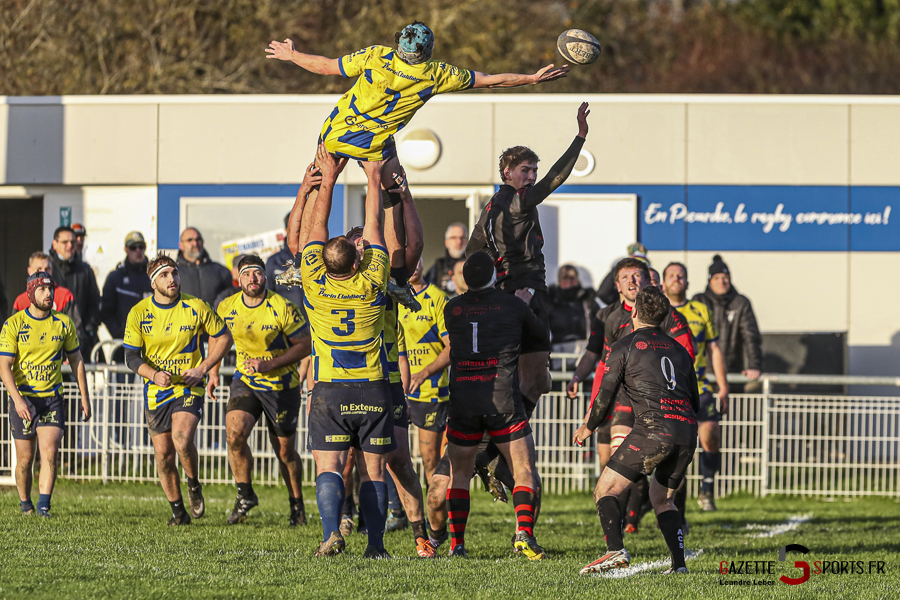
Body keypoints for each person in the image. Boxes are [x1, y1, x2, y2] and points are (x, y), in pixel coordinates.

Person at [266, 22, 567, 166]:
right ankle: (396, 271)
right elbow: (490, 80)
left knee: (317, 187)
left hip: (339, 128)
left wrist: (292, 55)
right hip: (375, 143)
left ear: (399, 45)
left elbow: (327, 67)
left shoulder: (376, 56)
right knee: (394, 200)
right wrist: (530, 78)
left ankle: (300, 257)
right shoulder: (437, 74)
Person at [300, 145, 394, 559]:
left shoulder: (314, 282)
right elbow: (373, 228)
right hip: (373, 389)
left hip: (330, 390)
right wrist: (373, 176)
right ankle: (375, 545)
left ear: (322, 262)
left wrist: (329, 177)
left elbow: (313, 231)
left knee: (329, 467)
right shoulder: (372, 281)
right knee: (374, 470)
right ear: (358, 261)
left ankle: (330, 534)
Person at [466, 103, 590, 416]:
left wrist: (493, 288)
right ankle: (497, 446)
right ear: (507, 173)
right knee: (531, 380)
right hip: (526, 291)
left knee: (533, 380)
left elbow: (472, 254)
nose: (533, 176)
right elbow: (555, 179)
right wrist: (580, 137)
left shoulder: (491, 206)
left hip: (513, 292)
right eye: (526, 170)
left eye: (534, 170)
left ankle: (495, 449)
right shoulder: (517, 201)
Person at [574, 286, 699, 575]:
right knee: (662, 498)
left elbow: (605, 395)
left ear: (633, 311)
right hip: (686, 431)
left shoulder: (623, 346)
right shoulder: (680, 350)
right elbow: (694, 399)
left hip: (654, 429)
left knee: (605, 488)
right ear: (665, 318)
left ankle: (614, 550)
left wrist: (588, 427)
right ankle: (679, 565)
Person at [566, 258, 694, 524]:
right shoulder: (607, 316)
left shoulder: (664, 313)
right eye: (627, 277)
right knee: (612, 462)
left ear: (647, 281)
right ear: (617, 285)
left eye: (638, 276)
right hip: (621, 398)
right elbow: (598, 358)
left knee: (632, 467)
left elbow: (685, 356)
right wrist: (579, 377)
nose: (633, 281)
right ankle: (626, 522)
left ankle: (641, 522)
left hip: (658, 401)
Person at [441, 252, 549, 559]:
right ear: (494, 276)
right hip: (503, 399)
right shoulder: (512, 305)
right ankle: (524, 534)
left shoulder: (453, 307)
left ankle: (456, 545)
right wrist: (524, 304)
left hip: (464, 399)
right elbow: (540, 334)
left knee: (459, 474)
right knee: (524, 470)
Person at [123, 253, 233, 525]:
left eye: (174, 273)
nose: (172, 279)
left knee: (182, 440)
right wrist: (153, 374)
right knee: (163, 456)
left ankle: (193, 484)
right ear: (153, 283)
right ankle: (178, 512)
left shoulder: (196, 306)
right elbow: (131, 357)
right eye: (164, 275)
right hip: (156, 391)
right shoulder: (139, 312)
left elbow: (223, 338)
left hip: (188, 387)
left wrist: (203, 368)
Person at [212, 255, 311, 527]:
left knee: (284, 452)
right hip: (247, 380)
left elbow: (304, 345)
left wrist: (270, 364)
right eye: (246, 274)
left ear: (265, 277)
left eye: (257, 273)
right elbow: (217, 337)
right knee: (234, 433)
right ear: (239, 278)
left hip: (282, 385)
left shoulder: (282, 307)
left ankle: (297, 505)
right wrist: (212, 371)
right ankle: (245, 495)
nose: (252, 279)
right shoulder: (227, 306)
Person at [0, 271, 92, 517]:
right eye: (42, 289)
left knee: (50, 452)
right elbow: (4, 367)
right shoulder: (14, 324)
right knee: (25, 459)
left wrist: (85, 397)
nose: (48, 294)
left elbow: (76, 361)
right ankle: (25, 504)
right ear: (31, 293)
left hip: (52, 399)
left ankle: (43, 507)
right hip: (24, 399)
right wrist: (18, 400)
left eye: (50, 289)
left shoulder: (63, 323)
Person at [663, 262, 729, 514]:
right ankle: (668, 500)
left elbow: (714, 349)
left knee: (711, 434)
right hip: (669, 391)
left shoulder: (701, 310)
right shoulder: (657, 310)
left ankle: (707, 490)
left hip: (700, 388)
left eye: (681, 275)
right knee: (674, 448)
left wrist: (723, 386)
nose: (676, 279)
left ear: (688, 283)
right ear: (663, 282)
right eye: (671, 275)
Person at [398, 259, 450, 490]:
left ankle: (436, 516)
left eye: (418, 259)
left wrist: (423, 373)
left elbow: (453, 347)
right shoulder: (391, 299)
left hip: (430, 388)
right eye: (409, 261)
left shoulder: (438, 299)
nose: (415, 265)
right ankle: (398, 511)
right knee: (392, 457)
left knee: (429, 459)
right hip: (397, 388)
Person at [692, 255, 762, 389]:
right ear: (709, 281)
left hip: (732, 373)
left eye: (725, 278)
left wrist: (754, 366)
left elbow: (751, 337)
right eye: (716, 278)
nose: (721, 282)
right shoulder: (699, 301)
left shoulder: (741, 303)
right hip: (703, 375)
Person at [48, 226, 101, 354]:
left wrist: (88, 329)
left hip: (80, 341)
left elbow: (95, 303)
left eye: (73, 242)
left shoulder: (85, 270)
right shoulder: (47, 268)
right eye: (65, 242)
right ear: (54, 244)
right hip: (51, 341)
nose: (70, 246)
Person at [100, 232, 152, 348]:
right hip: (125, 344)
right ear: (126, 249)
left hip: (153, 343)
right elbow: (106, 312)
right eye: (133, 247)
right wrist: (119, 334)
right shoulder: (116, 277)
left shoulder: (155, 276)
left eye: (141, 247)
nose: (138, 250)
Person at [14, 252, 82, 337]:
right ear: (30, 271)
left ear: (52, 270)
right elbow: (14, 334)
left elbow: (75, 331)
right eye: (39, 269)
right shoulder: (21, 301)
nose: (44, 272)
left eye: (47, 269)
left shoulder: (65, 296)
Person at [548, 264, 594, 362]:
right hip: (557, 351)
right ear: (559, 281)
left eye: (572, 278)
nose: (569, 282)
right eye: (565, 278)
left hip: (584, 350)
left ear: (578, 280)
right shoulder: (550, 300)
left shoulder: (587, 300)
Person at [176, 227, 232, 307]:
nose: (195, 243)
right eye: (189, 240)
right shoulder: (173, 273)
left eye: (198, 239)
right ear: (181, 245)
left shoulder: (221, 271)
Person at [266, 213, 306, 313]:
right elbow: (267, 296)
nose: (300, 231)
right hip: (287, 325)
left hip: (314, 325)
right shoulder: (274, 261)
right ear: (286, 230)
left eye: (303, 227)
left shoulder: (319, 258)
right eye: (296, 228)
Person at [425, 223, 468, 294]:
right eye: (454, 238)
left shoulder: (474, 264)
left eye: (462, 238)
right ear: (446, 242)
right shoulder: (438, 266)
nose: (459, 242)